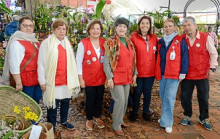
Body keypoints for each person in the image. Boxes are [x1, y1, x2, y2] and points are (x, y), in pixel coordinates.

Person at [37, 18, 80, 131]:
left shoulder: (67, 43)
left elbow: (72, 62)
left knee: (65, 101)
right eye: (58, 29)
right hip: (53, 80)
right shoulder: (47, 43)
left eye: (64, 29)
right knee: (53, 104)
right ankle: (52, 125)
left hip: (66, 79)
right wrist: (42, 81)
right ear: (54, 30)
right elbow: (41, 63)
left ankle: (64, 120)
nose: (61, 31)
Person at [180, 16, 218, 131]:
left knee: (203, 97)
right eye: (185, 26)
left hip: (202, 75)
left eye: (189, 25)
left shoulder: (205, 37)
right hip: (187, 75)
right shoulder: (182, 39)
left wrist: (212, 68)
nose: (187, 28)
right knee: (185, 97)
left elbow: (213, 53)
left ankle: (204, 118)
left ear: (195, 26)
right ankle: (187, 114)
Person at [103, 17, 137, 136]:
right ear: (115, 27)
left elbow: (133, 60)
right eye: (120, 26)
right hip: (116, 77)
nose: (122, 28)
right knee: (120, 100)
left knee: (125, 100)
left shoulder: (129, 42)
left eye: (124, 26)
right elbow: (106, 62)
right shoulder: (110, 42)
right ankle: (116, 125)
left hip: (127, 76)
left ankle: (120, 120)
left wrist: (135, 74)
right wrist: (109, 77)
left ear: (127, 29)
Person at [155, 18, 189, 133]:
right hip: (163, 73)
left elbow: (184, 56)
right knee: (163, 95)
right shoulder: (161, 41)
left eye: (170, 26)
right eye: (165, 26)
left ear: (174, 27)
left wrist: (183, 72)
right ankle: (165, 117)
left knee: (169, 97)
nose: (167, 28)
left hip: (174, 74)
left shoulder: (180, 40)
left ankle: (167, 122)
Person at [2, 16, 42, 103]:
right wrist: (18, 83)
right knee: (26, 105)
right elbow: (14, 64)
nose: (28, 28)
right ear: (19, 26)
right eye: (25, 25)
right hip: (25, 82)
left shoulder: (34, 41)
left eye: (30, 26)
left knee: (35, 103)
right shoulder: (17, 43)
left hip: (36, 79)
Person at [76, 19, 106, 131]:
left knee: (99, 98)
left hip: (101, 78)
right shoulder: (83, 44)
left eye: (98, 28)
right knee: (90, 99)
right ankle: (89, 119)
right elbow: (78, 62)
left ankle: (97, 117)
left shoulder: (105, 43)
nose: (95, 31)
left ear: (101, 31)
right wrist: (80, 78)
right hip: (88, 78)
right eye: (93, 28)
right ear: (89, 30)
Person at [129, 15, 158, 122]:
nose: (145, 25)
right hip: (138, 72)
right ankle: (135, 112)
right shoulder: (133, 37)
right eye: (142, 23)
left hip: (150, 72)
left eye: (147, 23)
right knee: (137, 93)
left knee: (147, 93)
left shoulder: (154, 37)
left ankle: (145, 112)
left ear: (150, 25)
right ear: (139, 25)